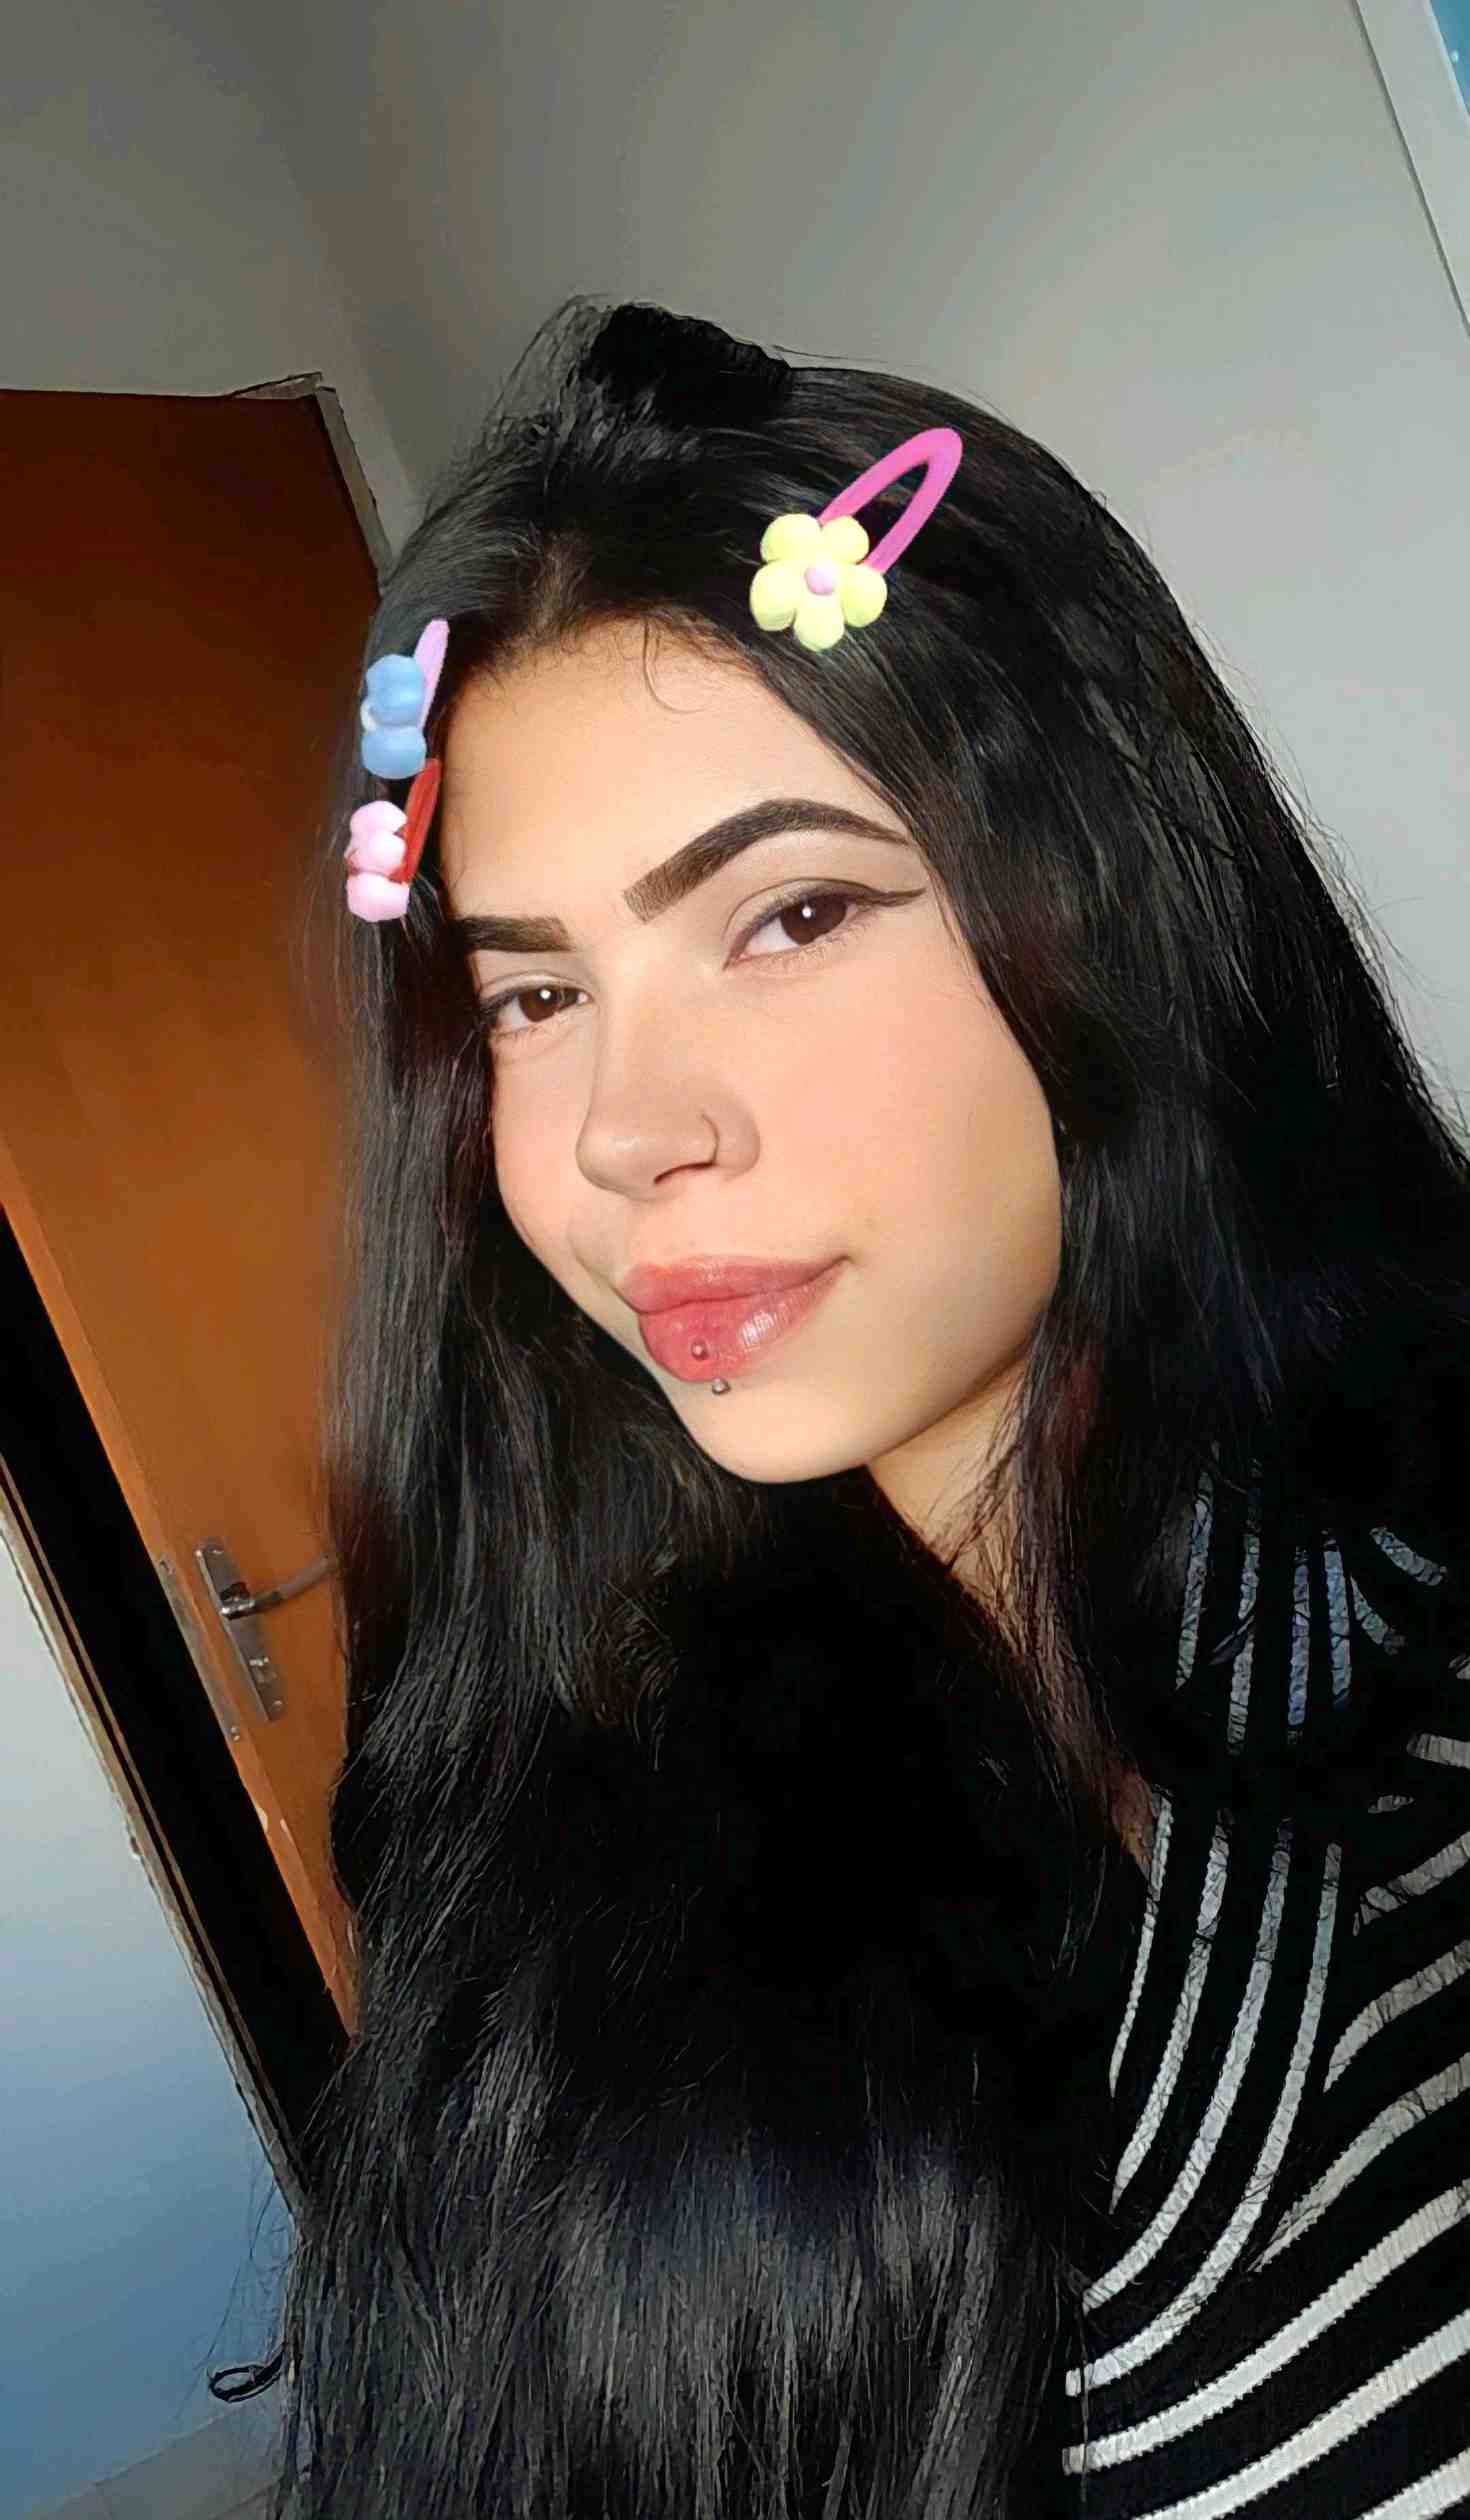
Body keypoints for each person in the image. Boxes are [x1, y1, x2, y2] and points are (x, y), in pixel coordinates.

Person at [234, 297, 1470, 2516]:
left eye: (790, 914)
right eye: (533, 995)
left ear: (1111, 910)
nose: (628, 1131)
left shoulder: (1379, 1582)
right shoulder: (585, 1901)